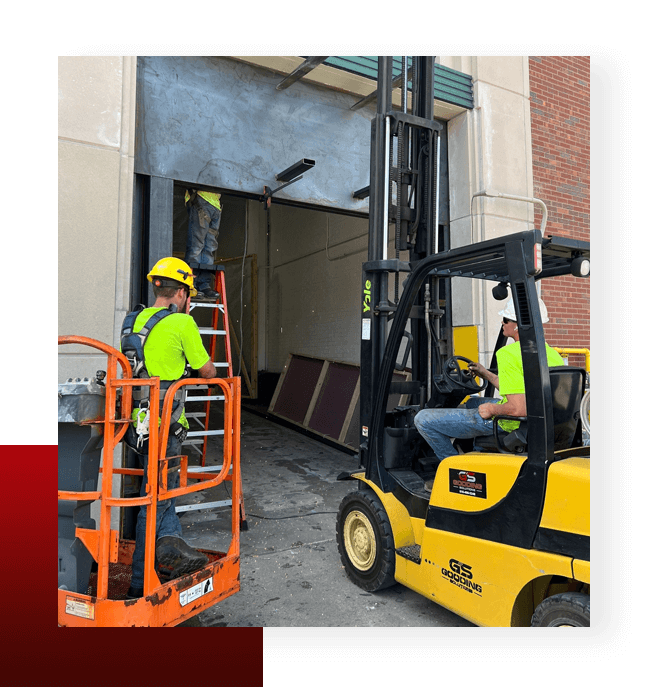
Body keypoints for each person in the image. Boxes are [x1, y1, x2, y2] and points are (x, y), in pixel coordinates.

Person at [123, 257, 218, 599]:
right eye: (187, 294)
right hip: (167, 431)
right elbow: (206, 370)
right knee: (160, 500)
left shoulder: (132, 320)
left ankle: (164, 558)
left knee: (154, 496)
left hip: (137, 428)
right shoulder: (182, 323)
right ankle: (146, 575)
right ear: (180, 293)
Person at [414, 297, 565, 470]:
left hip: (510, 423)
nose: (503, 322)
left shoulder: (508, 354)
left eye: (506, 319)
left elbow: (518, 408)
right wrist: (486, 374)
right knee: (472, 401)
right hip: (536, 422)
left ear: (518, 325)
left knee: (423, 419)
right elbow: (522, 390)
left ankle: (456, 471)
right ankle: (473, 451)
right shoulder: (551, 353)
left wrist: (492, 410)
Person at [184, 189, 222, 299]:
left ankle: (204, 285)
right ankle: (192, 284)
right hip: (201, 198)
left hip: (215, 204)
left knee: (209, 247)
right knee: (196, 245)